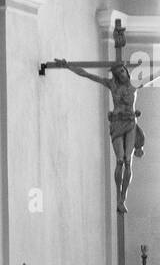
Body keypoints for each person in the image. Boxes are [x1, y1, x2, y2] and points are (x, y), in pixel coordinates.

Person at [58, 59, 145, 213]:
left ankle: (123, 198)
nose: (121, 75)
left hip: (131, 123)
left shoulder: (134, 86)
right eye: (118, 74)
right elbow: (87, 75)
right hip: (117, 124)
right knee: (119, 160)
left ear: (126, 70)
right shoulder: (111, 85)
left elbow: (154, 77)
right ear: (116, 76)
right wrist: (68, 66)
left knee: (127, 161)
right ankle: (118, 195)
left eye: (123, 71)